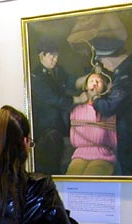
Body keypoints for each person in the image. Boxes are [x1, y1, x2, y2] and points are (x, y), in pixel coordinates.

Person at [30, 38, 87, 174]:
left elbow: (73, 82)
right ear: (42, 56)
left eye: (57, 56)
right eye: (52, 56)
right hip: (46, 131)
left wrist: (89, 77)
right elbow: (55, 99)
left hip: (61, 126)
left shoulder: (58, 70)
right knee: (50, 166)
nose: (55, 60)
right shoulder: (35, 77)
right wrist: (79, 99)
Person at [90, 36, 132, 177]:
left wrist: (95, 98)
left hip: (130, 132)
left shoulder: (124, 76)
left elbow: (109, 108)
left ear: (109, 58)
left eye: (103, 61)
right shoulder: (131, 66)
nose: (104, 66)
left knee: (129, 170)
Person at [66, 73, 117, 176]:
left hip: (103, 155)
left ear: (104, 87)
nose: (95, 83)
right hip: (79, 154)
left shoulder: (108, 110)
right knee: (72, 177)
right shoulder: (76, 109)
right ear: (85, 87)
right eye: (91, 81)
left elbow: (113, 139)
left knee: (93, 176)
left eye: (98, 81)